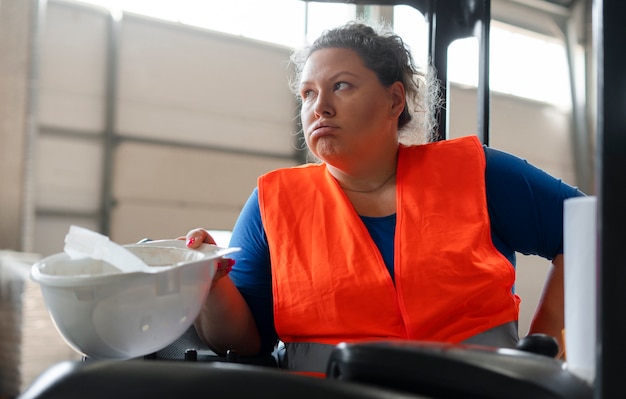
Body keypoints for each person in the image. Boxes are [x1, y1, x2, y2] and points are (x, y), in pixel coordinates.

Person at [182, 21, 584, 375]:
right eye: (307, 94)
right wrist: (211, 283)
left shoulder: (477, 172)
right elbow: (243, 342)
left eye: (341, 86)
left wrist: (544, 353)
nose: (319, 107)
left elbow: (591, 229)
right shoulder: (274, 203)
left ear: (394, 100)